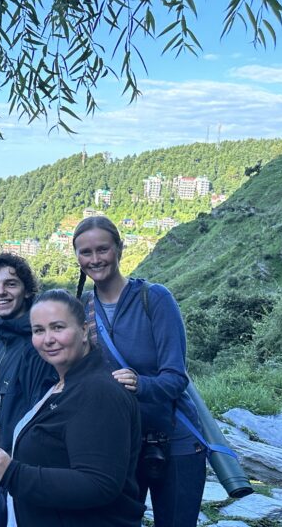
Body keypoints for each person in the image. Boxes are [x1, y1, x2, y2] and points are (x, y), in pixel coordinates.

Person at [73, 215, 206, 527]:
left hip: (175, 442)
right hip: (120, 443)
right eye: (86, 252)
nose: (95, 259)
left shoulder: (155, 298)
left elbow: (176, 378)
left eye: (102, 249)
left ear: (120, 248)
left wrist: (139, 384)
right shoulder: (82, 310)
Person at [0, 289, 144, 526]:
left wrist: (12, 473)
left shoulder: (98, 392)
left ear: (84, 330)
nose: (48, 339)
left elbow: (99, 483)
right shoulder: (62, 386)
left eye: (58, 327)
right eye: (38, 330)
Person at [0, 252, 57, 526]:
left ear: (27, 290)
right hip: (2, 471)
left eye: (10, 284)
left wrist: (16, 471)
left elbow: (42, 422)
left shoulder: (37, 347)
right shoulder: (2, 345)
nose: (1, 292)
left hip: (23, 479)